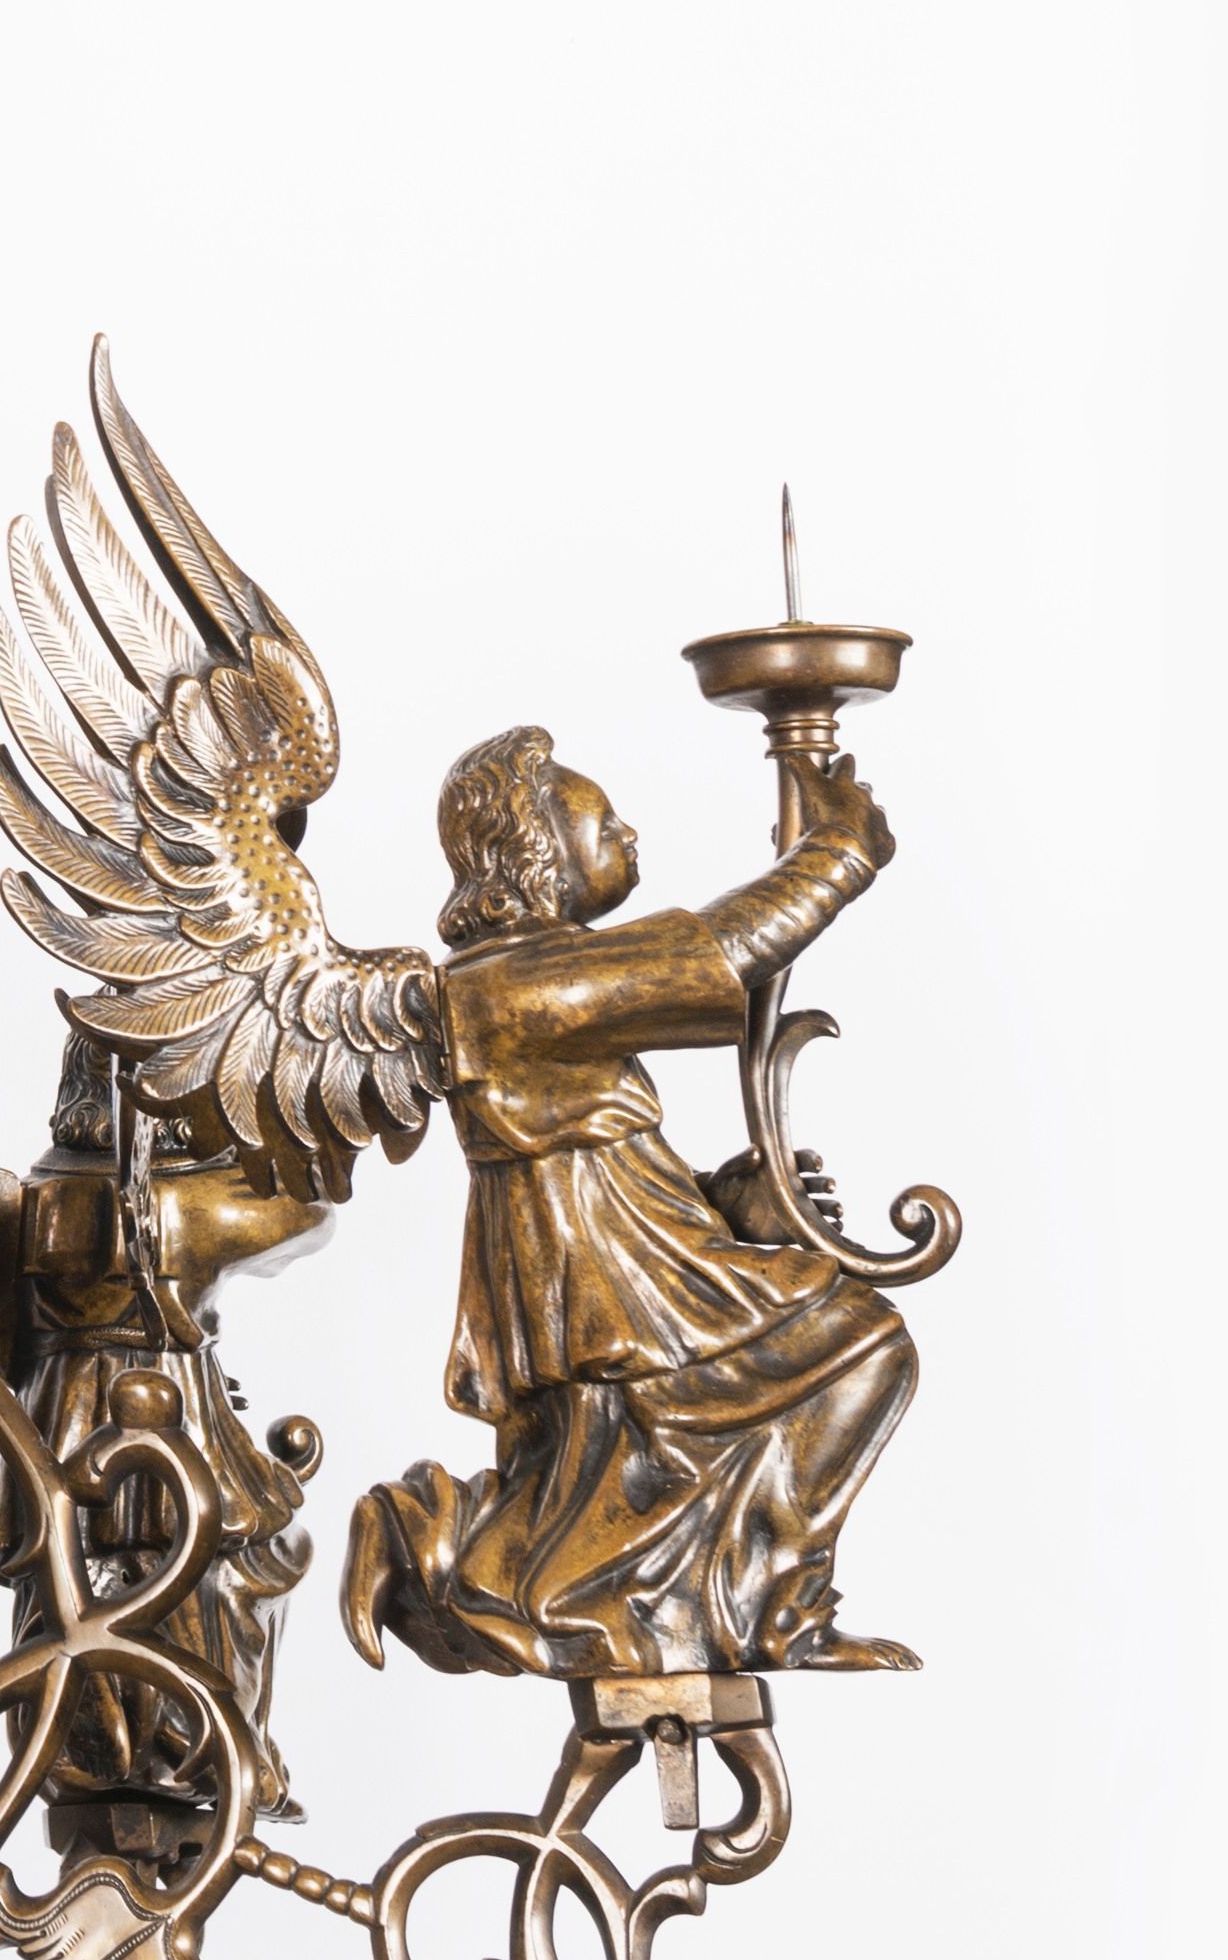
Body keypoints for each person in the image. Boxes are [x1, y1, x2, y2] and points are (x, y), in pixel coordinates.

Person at [343, 722, 917, 1684]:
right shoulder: (513, 985)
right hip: (620, 1299)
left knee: (628, 1471)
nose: (628, 833)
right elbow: (725, 949)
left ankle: (751, 1607)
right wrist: (839, 853)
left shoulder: (531, 976)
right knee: (862, 1346)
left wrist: (726, 1199)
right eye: (603, 821)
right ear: (535, 847)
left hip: (646, 1269)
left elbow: (613, 1163)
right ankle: (437, 1534)